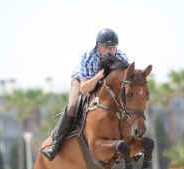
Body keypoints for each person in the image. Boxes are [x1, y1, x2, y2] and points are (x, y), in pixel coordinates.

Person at [42, 28, 130, 161]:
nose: (110, 51)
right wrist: (99, 75)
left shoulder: (122, 58)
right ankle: (56, 143)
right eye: (106, 47)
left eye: (113, 47)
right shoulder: (89, 57)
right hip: (83, 81)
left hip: (106, 86)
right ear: (98, 46)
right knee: (73, 106)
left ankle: (130, 140)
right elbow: (84, 89)